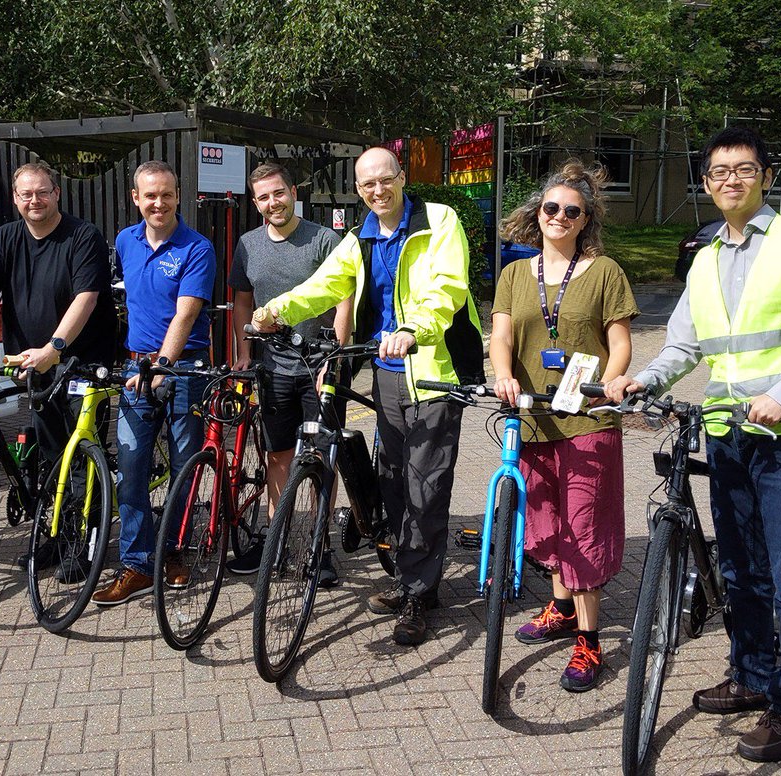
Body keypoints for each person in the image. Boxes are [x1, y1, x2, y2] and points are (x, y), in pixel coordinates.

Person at [606, 127, 781, 762]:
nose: (731, 181)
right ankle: (751, 674)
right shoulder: (706, 257)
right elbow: (686, 344)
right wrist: (644, 380)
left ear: (766, 177)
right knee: (741, 570)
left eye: (744, 169)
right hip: (726, 435)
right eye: (719, 172)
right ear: (706, 183)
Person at [254, 147, 486, 646]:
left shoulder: (439, 221)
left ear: (401, 178)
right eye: (367, 185)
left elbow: (447, 288)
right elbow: (323, 285)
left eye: (385, 180)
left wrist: (413, 328)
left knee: (425, 487)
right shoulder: (359, 238)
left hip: (435, 372)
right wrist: (276, 310)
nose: (378, 191)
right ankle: (408, 578)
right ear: (359, 190)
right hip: (385, 373)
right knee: (394, 482)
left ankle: (419, 594)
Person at [490, 161, 638, 692]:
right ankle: (561, 607)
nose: (559, 216)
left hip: (586, 421)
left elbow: (619, 343)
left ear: (585, 220)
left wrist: (611, 383)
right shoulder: (515, 274)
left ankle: (589, 641)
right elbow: (502, 337)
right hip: (533, 418)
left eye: (571, 211)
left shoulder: (604, 272)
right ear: (538, 214)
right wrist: (503, 376)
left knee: (583, 528)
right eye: (551, 207)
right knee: (548, 521)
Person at [0, 161, 118, 570]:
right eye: (26, 194)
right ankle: (55, 534)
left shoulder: (82, 236)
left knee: (80, 452)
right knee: (49, 452)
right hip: (33, 364)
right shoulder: (6, 239)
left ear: (56, 193)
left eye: (42, 192)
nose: (35, 200)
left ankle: (83, 543)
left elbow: (86, 298)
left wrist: (55, 347)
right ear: (16, 199)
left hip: (83, 362)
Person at [91, 160, 217, 606]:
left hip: (185, 369)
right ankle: (138, 564)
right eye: (150, 195)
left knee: (184, 466)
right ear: (136, 198)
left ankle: (174, 551)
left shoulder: (197, 247)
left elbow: (186, 313)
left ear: (178, 195)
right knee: (131, 467)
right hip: (136, 368)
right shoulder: (126, 241)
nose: (158, 203)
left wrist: (164, 364)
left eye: (166, 194)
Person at [227, 162, 352, 584]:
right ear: (255, 202)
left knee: (322, 456)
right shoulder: (248, 244)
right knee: (277, 454)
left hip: (319, 367)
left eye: (278, 193)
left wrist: (334, 357)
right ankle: (276, 540)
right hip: (274, 366)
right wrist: (244, 353)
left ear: (293, 192)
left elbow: (344, 300)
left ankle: (320, 545)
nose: (272, 203)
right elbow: (243, 302)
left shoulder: (323, 239)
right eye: (263, 197)